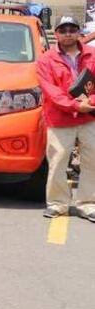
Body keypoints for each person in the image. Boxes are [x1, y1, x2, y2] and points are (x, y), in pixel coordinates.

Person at [35, 16, 95, 221]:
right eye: (63, 29)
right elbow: (51, 91)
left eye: (72, 29)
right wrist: (77, 105)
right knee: (58, 161)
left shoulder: (92, 54)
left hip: (89, 118)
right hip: (60, 118)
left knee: (92, 161)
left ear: (79, 32)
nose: (68, 33)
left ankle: (88, 204)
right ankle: (57, 203)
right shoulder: (46, 59)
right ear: (56, 33)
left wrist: (91, 102)